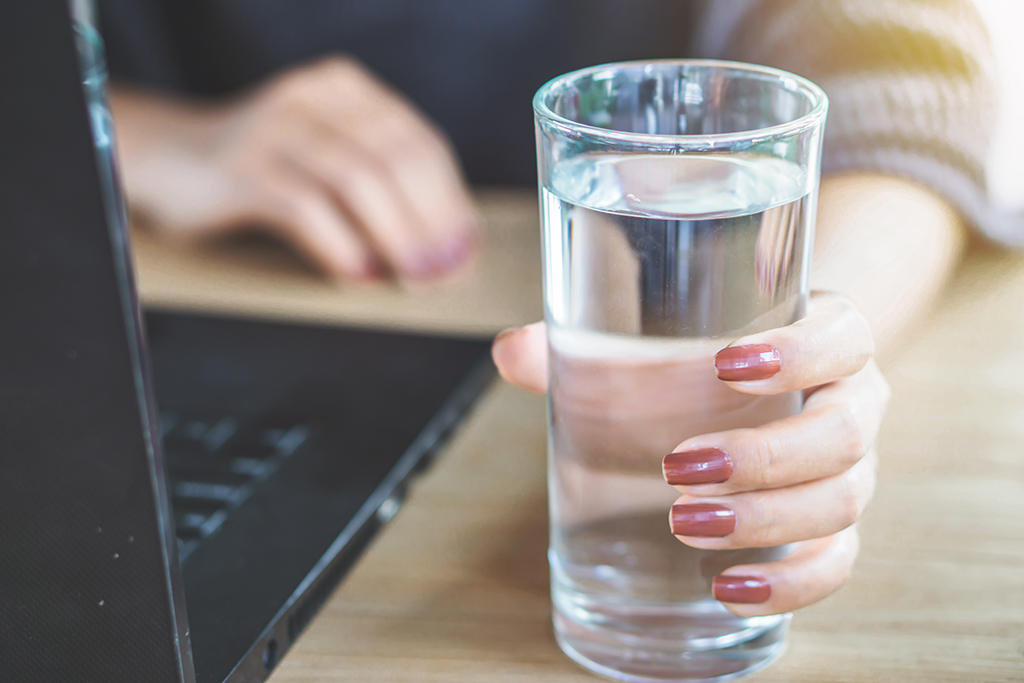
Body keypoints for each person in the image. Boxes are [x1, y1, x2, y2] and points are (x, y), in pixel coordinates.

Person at [98, 0, 1011, 617]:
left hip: (565, 336)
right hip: (194, 298)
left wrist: (824, 333)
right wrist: (123, 128)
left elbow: (896, 59)